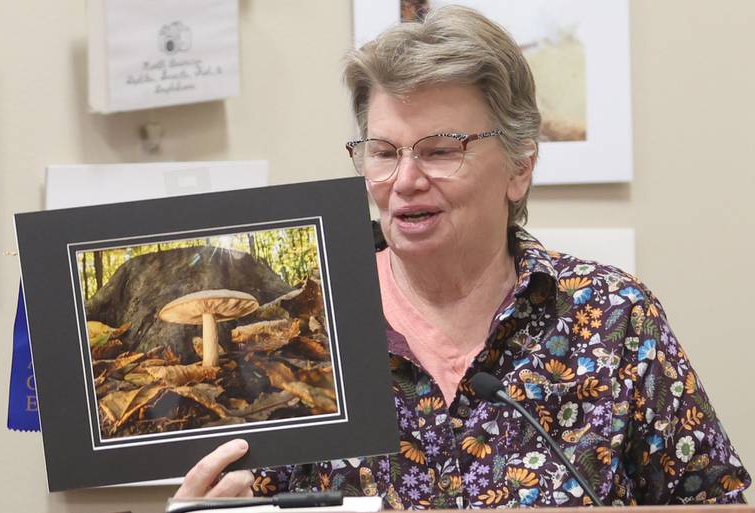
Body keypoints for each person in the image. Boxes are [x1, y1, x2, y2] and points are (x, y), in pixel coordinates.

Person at [175, 5, 751, 507]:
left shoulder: (615, 317)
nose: (404, 180)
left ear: (520, 166)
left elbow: (710, 503)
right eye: (382, 151)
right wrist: (199, 507)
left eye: (440, 151)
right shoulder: (301, 325)